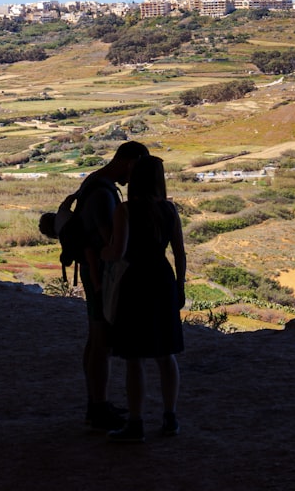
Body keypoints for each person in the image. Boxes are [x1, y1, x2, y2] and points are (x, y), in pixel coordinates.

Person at [103, 154, 186, 442]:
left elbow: (118, 252)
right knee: (166, 354)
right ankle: (170, 418)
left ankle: (136, 423)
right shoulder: (170, 210)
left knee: (134, 357)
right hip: (163, 280)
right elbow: (179, 252)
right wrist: (181, 285)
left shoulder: (125, 211)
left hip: (135, 282)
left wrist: (99, 251)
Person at [74, 140, 150, 431]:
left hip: (95, 271)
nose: (134, 178)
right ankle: (98, 407)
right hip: (101, 275)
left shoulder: (96, 183)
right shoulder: (103, 194)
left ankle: (97, 402)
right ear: (129, 162)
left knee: (96, 340)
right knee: (101, 341)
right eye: (136, 170)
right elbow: (110, 241)